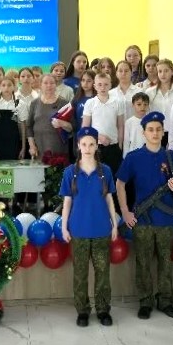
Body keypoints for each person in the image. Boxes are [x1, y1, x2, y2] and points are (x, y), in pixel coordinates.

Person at [116, 111, 173, 320]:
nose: (155, 133)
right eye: (150, 130)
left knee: (165, 263)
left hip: (166, 219)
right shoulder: (133, 157)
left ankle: (165, 301)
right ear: (143, 132)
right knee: (143, 263)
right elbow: (120, 184)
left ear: (163, 132)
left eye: (158, 129)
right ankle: (145, 302)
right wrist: (125, 211)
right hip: (141, 219)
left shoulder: (172, 158)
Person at [60, 127, 117, 327]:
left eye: (91, 144)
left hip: (101, 230)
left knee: (103, 273)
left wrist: (114, 225)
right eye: (84, 144)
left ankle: (103, 310)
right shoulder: (70, 172)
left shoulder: (105, 171)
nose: (87, 148)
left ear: (96, 146)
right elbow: (67, 202)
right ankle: (82, 311)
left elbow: (109, 199)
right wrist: (64, 227)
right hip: (79, 231)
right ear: (78, 146)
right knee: (80, 274)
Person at [82, 72, 125, 174]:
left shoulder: (118, 102)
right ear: (95, 86)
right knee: (97, 176)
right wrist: (99, 137)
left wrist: (120, 144)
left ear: (110, 85)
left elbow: (120, 126)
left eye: (106, 84)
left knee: (113, 175)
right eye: (100, 84)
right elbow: (85, 128)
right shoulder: (90, 103)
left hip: (113, 146)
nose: (103, 87)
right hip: (95, 146)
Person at [26, 74, 73, 161]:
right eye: (45, 83)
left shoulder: (64, 103)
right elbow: (29, 127)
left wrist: (62, 124)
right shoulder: (34, 103)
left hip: (59, 150)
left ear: (56, 85)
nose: (49, 85)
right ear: (40, 85)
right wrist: (32, 146)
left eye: (52, 83)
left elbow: (71, 127)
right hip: (39, 150)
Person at [0, 77, 26, 161]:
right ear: (0, 87)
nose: (6, 88)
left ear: (14, 86)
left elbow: (23, 127)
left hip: (14, 142)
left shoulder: (20, 103)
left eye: (9, 85)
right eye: (3, 85)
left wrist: (23, 148)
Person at [122, 92, 149, 156]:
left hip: (148, 154)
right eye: (139, 104)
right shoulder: (129, 122)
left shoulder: (151, 121)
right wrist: (125, 157)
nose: (142, 107)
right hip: (133, 154)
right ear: (133, 105)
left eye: (145, 104)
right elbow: (126, 142)